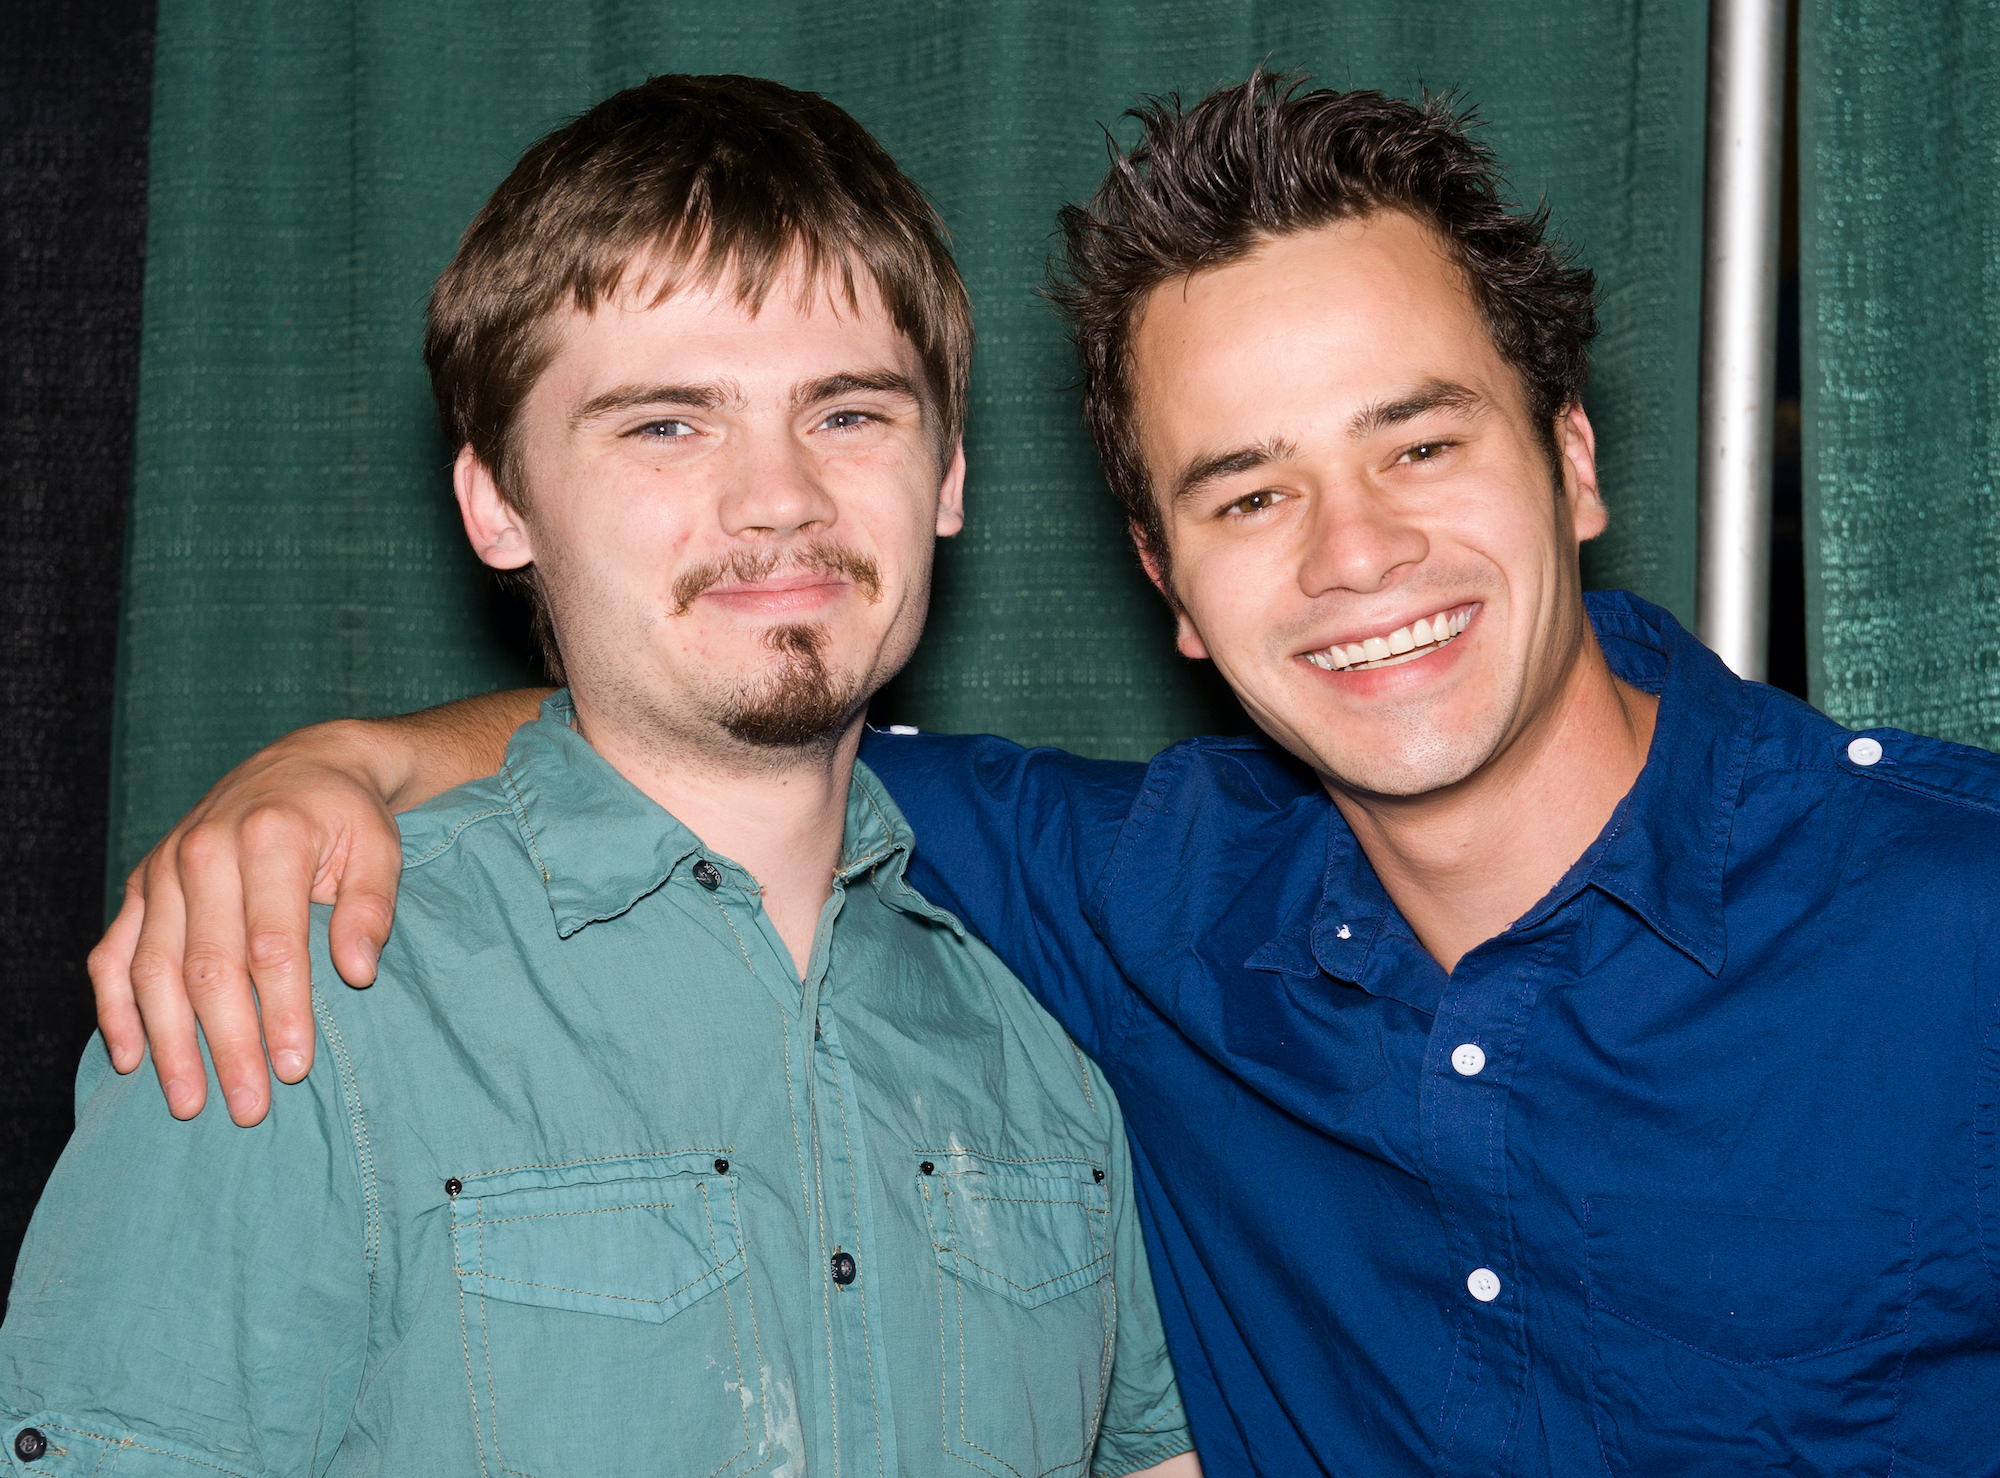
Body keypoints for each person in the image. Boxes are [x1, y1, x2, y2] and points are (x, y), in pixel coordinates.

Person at [87, 71, 2000, 1477]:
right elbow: (735, 714)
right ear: (1167, 582)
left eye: (1420, 445)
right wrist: (337, 762)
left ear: (1572, 461)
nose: (1356, 553)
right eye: (1247, 493)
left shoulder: (1955, 920)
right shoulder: (1135, 902)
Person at [1, 74, 1200, 1478]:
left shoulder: (1050, 1015)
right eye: (666, 424)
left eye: (849, 414)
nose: (779, 496)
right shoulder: (294, 992)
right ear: (497, 503)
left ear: (946, 477)